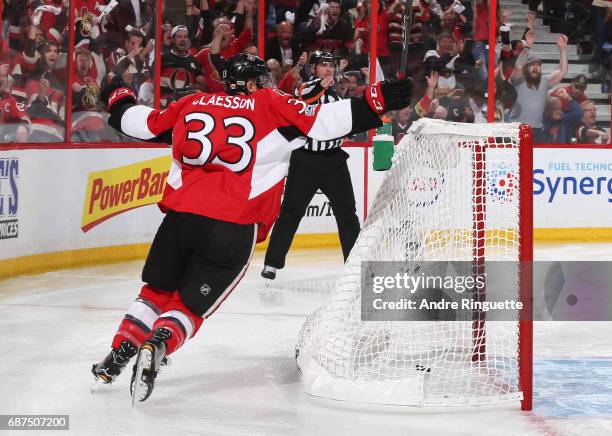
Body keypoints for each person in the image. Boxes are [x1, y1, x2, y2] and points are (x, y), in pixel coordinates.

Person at [91, 53, 413, 402]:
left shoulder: (191, 103)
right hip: (232, 226)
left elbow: (141, 123)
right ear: (250, 84)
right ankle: (159, 342)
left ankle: (120, 350)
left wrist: (118, 97)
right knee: (188, 308)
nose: (267, 85)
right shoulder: (269, 104)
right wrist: (378, 99)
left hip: (179, 221)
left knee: (153, 293)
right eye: (262, 80)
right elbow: (325, 122)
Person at [260, 50, 361, 281]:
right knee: (291, 211)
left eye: (331, 65)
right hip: (306, 159)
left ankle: (353, 263)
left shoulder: (336, 95)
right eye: (323, 65)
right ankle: (272, 263)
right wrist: (326, 81)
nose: (328, 69)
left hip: (334, 160)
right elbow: (308, 98)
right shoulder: (305, 88)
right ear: (313, 69)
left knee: (347, 212)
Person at [509, 35, 569, 142]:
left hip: (536, 131)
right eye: (532, 65)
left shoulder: (544, 81)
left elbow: (562, 71)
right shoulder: (517, 79)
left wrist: (563, 48)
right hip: (516, 130)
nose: (535, 67)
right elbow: (518, 67)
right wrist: (527, 47)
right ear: (526, 68)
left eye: (538, 65)